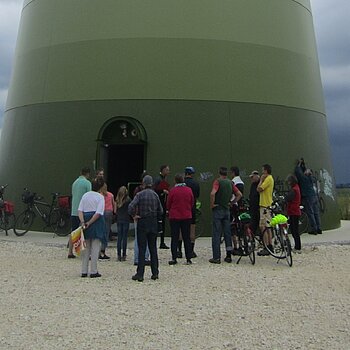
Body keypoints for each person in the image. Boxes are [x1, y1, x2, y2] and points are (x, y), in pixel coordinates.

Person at [128, 175, 163, 282]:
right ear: (151, 183)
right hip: (153, 222)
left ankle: (140, 274)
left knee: (142, 248)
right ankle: (155, 273)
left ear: (143, 183)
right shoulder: (155, 195)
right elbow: (160, 210)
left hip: (142, 221)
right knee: (153, 248)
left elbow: (130, 207)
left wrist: (134, 215)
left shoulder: (139, 194)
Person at [209, 166, 242, 264]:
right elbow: (239, 194)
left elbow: (212, 193)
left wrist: (212, 204)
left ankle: (216, 257)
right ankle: (228, 255)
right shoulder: (230, 183)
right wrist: (232, 202)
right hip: (227, 210)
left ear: (219, 173)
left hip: (218, 209)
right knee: (227, 233)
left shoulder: (217, 182)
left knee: (216, 233)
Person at [78, 178, 106, 278]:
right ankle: (94, 271)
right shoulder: (100, 197)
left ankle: (84, 270)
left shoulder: (85, 195)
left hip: (84, 220)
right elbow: (98, 213)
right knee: (95, 247)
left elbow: (80, 210)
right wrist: (90, 222)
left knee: (86, 247)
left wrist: (83, 222)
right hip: (96, 222)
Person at [167, 173, 194, 265]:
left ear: (175, 181)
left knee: (174, 237)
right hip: (186, 216)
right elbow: (192, 202)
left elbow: (168, 204)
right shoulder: (189, 190)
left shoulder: (172, 191)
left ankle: (174, 258)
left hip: (174, 216)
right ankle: (188, 258)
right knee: (186, 237)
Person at [68, 167, 91, 259]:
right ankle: (86, 252)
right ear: (88, 174)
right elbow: (89, 196)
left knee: (73, 232)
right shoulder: (87, 183)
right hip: (83, 211)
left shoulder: (75, 182)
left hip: (74, 210)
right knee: (85, 232)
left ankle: (70, 251)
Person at [295, 159, 322, 235]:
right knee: (316, 212)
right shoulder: (311, 178)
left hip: (308, 197)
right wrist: (303, 165)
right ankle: (319, 228)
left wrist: (299, 164)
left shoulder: (304, 178)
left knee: (310, 213)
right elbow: (303, 172)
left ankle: (314, 229)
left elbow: (298, 172)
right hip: (314, 196)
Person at [133, 171, 151, 266]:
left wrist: (134, 215)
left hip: (139, 216)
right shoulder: (152, 193)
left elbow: (132, 205)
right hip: (146, 217)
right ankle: (144, 257)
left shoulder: (137, 190)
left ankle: (137, 258)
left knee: (137, 238)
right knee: (147, 238)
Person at [257, 164, 275, 256]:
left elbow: (259, 189)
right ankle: (269, 245)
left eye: (263, 170)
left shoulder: (268, 179)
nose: (262, 172)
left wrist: (260, 180)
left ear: (266, 171)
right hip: (266, 204)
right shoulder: (270, 179)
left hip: (265, 205)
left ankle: (267, 246)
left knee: (264, 226)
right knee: (267, 226)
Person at [183, 166, 200, 258]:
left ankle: (178, 250)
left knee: (181, 230)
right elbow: (197, 195)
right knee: (192, 229)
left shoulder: (182, 183)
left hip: (182, 209)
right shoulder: (195, 183)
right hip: (192, 208)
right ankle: (191, 251)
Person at [154, 165, 170, 249]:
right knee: (159, 222)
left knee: (162, 223)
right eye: (167, 170)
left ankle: (162, 242)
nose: (168, 172)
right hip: (159, 204)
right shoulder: (158, 179)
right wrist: (162, 190)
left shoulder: (163, 179)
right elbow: (154, 189)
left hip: (163, 203)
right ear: (163, 170)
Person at [230, 166, 245, 255]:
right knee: (241, 227)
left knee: (233, 227)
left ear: (233, 172)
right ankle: (243, 245)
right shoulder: (241, 182)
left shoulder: (233, 182)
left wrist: (232, 202)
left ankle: (235, 247)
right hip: (241, 206)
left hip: (234, 206)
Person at [285, 174, 302, 253]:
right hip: (295, 211)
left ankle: (297, 247)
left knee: (294, 230)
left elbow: (288, 198)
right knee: (295, 230)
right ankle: (297, 246)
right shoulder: (297, 188)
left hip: (293, 211)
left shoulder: (294, 189)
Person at [99, 183, 115, 260]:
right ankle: (103, 250)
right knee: (106, 231)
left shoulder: (99, 195)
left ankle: (98, 251)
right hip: (109, 213)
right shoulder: (111, 195)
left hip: (101, 213)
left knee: (100, 231)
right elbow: (113, 204)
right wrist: (115, 213)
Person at [115, 186, 131, 261]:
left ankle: (118, 255)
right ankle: (124, 255)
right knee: (124, 238)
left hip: (119, 219)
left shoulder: (117, 200)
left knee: (119, 238)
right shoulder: (128, 200)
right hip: (126, 219)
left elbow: (115, 211)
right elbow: (130, 210)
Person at [248, 170, 260, 236]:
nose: (252, 179)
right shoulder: (252, 185)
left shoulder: (260, 184)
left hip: (258, 207)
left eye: (253, 177)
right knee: (253, 225)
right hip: (253, 208)